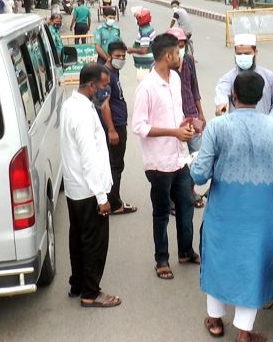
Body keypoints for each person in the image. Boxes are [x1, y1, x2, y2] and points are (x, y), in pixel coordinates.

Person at [192, 70, 273, 342]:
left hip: (223, 211)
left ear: (233, 96)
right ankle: (243, 337)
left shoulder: (217, 127)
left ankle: (214, 321)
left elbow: (199, 175)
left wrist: (193, 164)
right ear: (261, 96)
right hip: (259, 214)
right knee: (252, 265)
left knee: (218, 259)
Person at [132, 33, 199, 281]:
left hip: (180, 158)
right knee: (161, 212)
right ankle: (162, 259)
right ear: (167, 55)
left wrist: (187, 127)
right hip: (159, 162)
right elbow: (139, 126)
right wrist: (174, 132)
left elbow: (178, 114)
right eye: (177, 52)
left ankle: (185, 250)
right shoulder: (147, 87)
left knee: (186, 205)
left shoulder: (175, 79)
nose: (180, 56)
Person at [60, 63, 121, 308]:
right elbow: (88, 157)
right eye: (104, 86)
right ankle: (91, 292)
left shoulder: (70, 105)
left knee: (78, 239)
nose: (106, 90)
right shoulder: (84, 113)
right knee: (95, 243)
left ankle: (77, 284)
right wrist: (102, 197)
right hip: (88, 190)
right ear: (92, 85)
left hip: (75, 189)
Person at [98, 41, 138, 216]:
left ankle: (111, 199)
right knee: (115, 165)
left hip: (118, 123)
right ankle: (114, 204)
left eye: (123, 56)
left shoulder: (114, 72)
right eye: (117, 56)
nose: (121, 59)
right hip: (115, 126)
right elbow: (104, 105)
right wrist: (112, 130)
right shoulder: (106, 74)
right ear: (109, 55)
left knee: (113, 164)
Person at [171, 27, 207, 208]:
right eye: (177, 46)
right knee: (175, 158)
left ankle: (190, 190)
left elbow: (195, 89)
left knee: (196, 156)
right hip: (173, 121)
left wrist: (200, 113)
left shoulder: (190, 61)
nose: (180, 49)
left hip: (191, 115)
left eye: (182, 45)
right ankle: (173, 197)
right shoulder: (163, 66)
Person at [214, 33, 273, 117]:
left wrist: (269, 121)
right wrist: (222, 105)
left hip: (263, 128)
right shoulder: (227, 79)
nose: (243, 57)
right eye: (239, 54)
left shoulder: (269, 77)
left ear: (255, 52)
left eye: (247, 53)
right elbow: (222, 95)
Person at [131, 8, 156, 76]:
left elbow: (143, 50)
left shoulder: (145, 32)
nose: (136, 20)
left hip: (145, 66)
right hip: (148, 64)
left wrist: (131, 50)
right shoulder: (149, 28)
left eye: (137, 18)